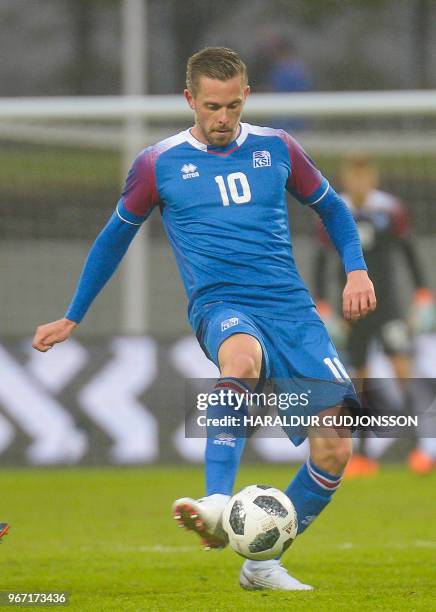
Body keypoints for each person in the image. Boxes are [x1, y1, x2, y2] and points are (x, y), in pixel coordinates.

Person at [32, 47, 376, 591]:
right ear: (190, 99)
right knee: (241, 355)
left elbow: (332, 207)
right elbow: (112, 240)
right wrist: (73, 316)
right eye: (212, 106)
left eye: (233, 106)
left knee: (335, 444)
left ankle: (261, 563)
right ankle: (217, 501)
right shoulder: (157, 163)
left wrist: (357, 271)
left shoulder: (277, 147)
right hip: (222, 304)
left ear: (247, 98)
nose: (222, 118)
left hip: (291, 309)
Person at [314, 155, 435, 476]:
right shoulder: (334, 209)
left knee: (402, 372)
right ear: (345, 178)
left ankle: (420, 449)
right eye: (354, 176)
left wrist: (423, 293)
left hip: (389, 306)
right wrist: (323, 304)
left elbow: (408, 252)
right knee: (360, 378)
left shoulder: (389, 210)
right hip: (353, 309)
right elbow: (321, 260)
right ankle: (364, 454)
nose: (359, 183)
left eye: (365, 176)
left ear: (373, 178)